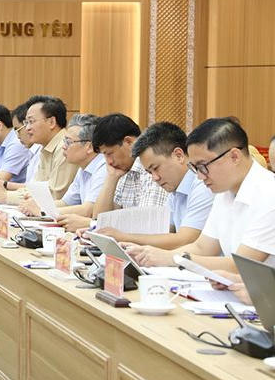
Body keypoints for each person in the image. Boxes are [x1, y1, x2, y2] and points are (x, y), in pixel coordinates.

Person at [127, 118, 275, 272]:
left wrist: (171, 258)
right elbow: (203, 247)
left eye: (203, 166)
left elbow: (240, 266)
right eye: (195, 168)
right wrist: (151, 254)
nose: (199, 176)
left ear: (234, 157)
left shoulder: (269, 194)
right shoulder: (224, 191)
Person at [93, 122, 213, 249]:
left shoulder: (202, 185)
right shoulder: (175, 190)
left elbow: (185, 240)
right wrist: (106, 234)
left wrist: (124, 237)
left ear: (179, 155)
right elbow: (164, 232)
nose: (155, 178)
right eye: (150, 172)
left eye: (156, 168)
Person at [0, 96, 78, 204]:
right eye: (26, 123)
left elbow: (54, 195)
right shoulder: (45, 148)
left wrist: (6, 196)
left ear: (51, 122)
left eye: (31, 122)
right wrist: (5, 194)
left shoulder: (65, 147)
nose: (27, 128)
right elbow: (35, 188)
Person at [19, 114, 107, 231]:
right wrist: (39, 205)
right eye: (64, 141)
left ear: (89, 147)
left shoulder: (104, 167)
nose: (63, 147)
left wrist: (42, 211)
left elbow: (88, 210)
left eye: (68, 142)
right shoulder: (83, 167)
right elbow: (66, 202)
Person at [90, 114, 170, 219]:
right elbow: (99, 219)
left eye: (109, 153)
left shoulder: (152, 169)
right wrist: (111, 177)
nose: (109, 162)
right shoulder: (122, 171)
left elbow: (147, 222)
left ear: (129, 142)